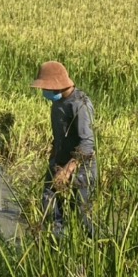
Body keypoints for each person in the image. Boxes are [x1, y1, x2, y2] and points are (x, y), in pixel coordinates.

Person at [31, 60, 96, 238]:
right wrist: (53, 157)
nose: (44, 92)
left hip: (81, 166)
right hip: (60, 161)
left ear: (57, 86)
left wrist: (68, 170)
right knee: (49, 204)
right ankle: (54, 248)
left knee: (82, 216)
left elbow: (87, 144)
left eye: (46, 88)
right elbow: (60, 134)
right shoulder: (58, 103)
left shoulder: (80, 105)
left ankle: (94, 251)